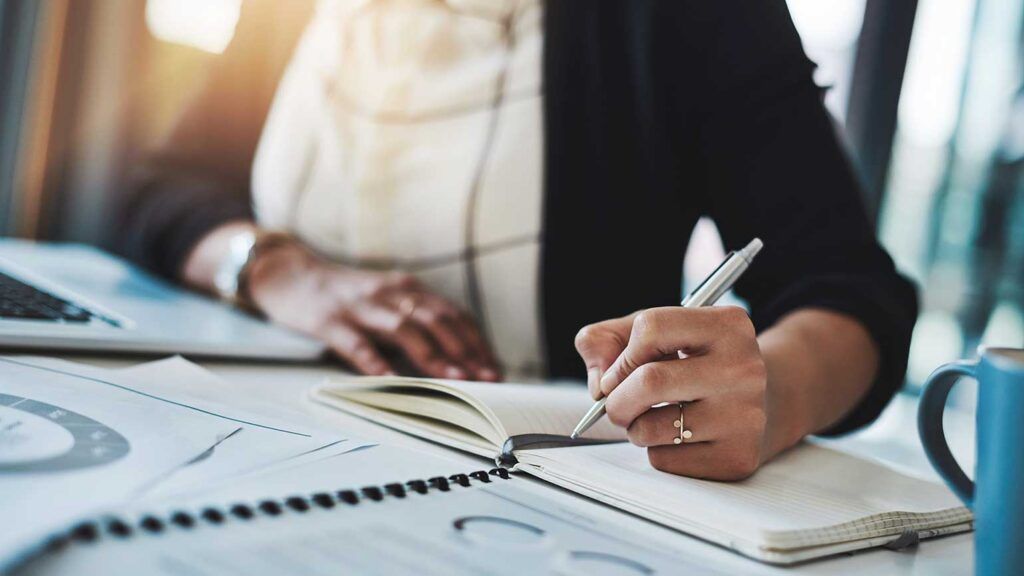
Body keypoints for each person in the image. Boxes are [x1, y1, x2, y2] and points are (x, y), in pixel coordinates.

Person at [120, 0, 918, 480]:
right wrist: (280, 271)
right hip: (232, 438)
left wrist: (771, 393)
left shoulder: (685, 14)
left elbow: (852, 292)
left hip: (519, 487)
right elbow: (159, 187)